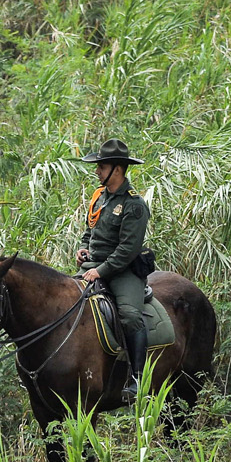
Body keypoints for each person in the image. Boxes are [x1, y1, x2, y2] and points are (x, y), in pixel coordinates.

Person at [76, 139, 151, 404]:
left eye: (102, 166)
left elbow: (128, 249)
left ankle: (138, 378)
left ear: (117, 170)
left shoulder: (134, 205)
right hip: (92, 266)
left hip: (122, 271)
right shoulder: (100, 197)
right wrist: (83, 248)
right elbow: (90, 230)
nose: (97, 171)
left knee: (130, 316)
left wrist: (100, 270)